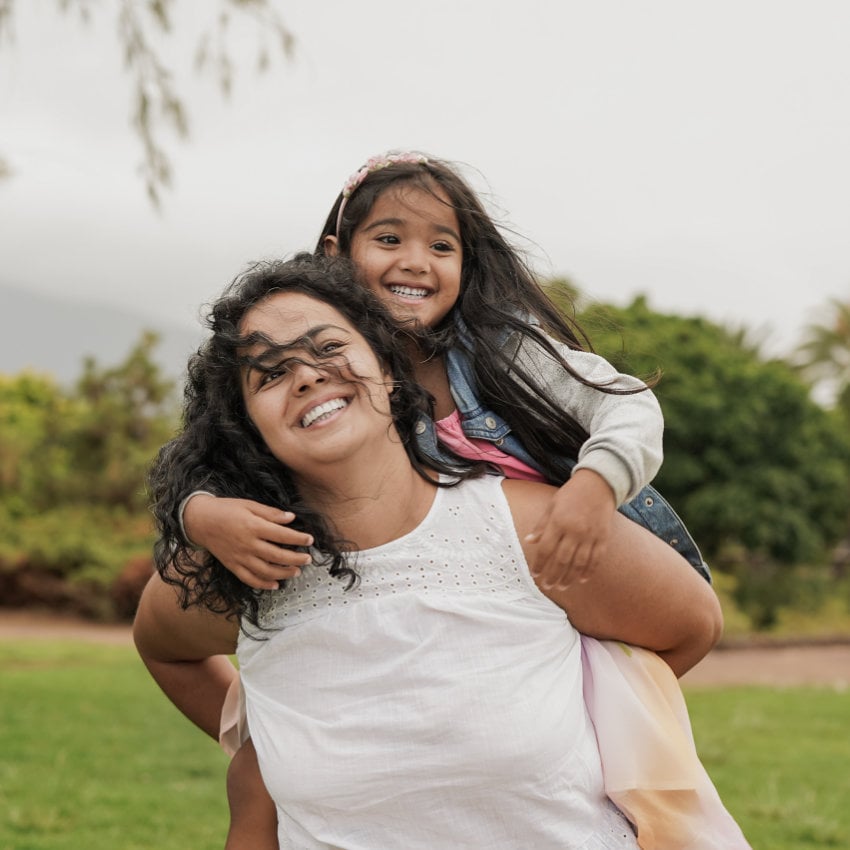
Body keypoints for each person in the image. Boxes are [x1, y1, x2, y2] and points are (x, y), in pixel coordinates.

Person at [135, 255, 749, 849]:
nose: (306, 375)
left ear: (387, 365)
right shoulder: (247, 564)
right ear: (246, 423)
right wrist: (259, 749)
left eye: (328, 348)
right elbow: (162, 646)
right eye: (269, 373)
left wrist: (603, 719)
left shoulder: (523, 525)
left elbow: (691, 626)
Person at [178, 150, 710, 596]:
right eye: (389, 240)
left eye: (441, 246)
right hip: (466, 597)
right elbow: (216, 450)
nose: (416, 261)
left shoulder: (502, 351)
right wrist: (202, 518)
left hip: (592, 573)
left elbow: (627, 402)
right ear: (335, 256)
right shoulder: (318, 379)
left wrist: (595, 486)